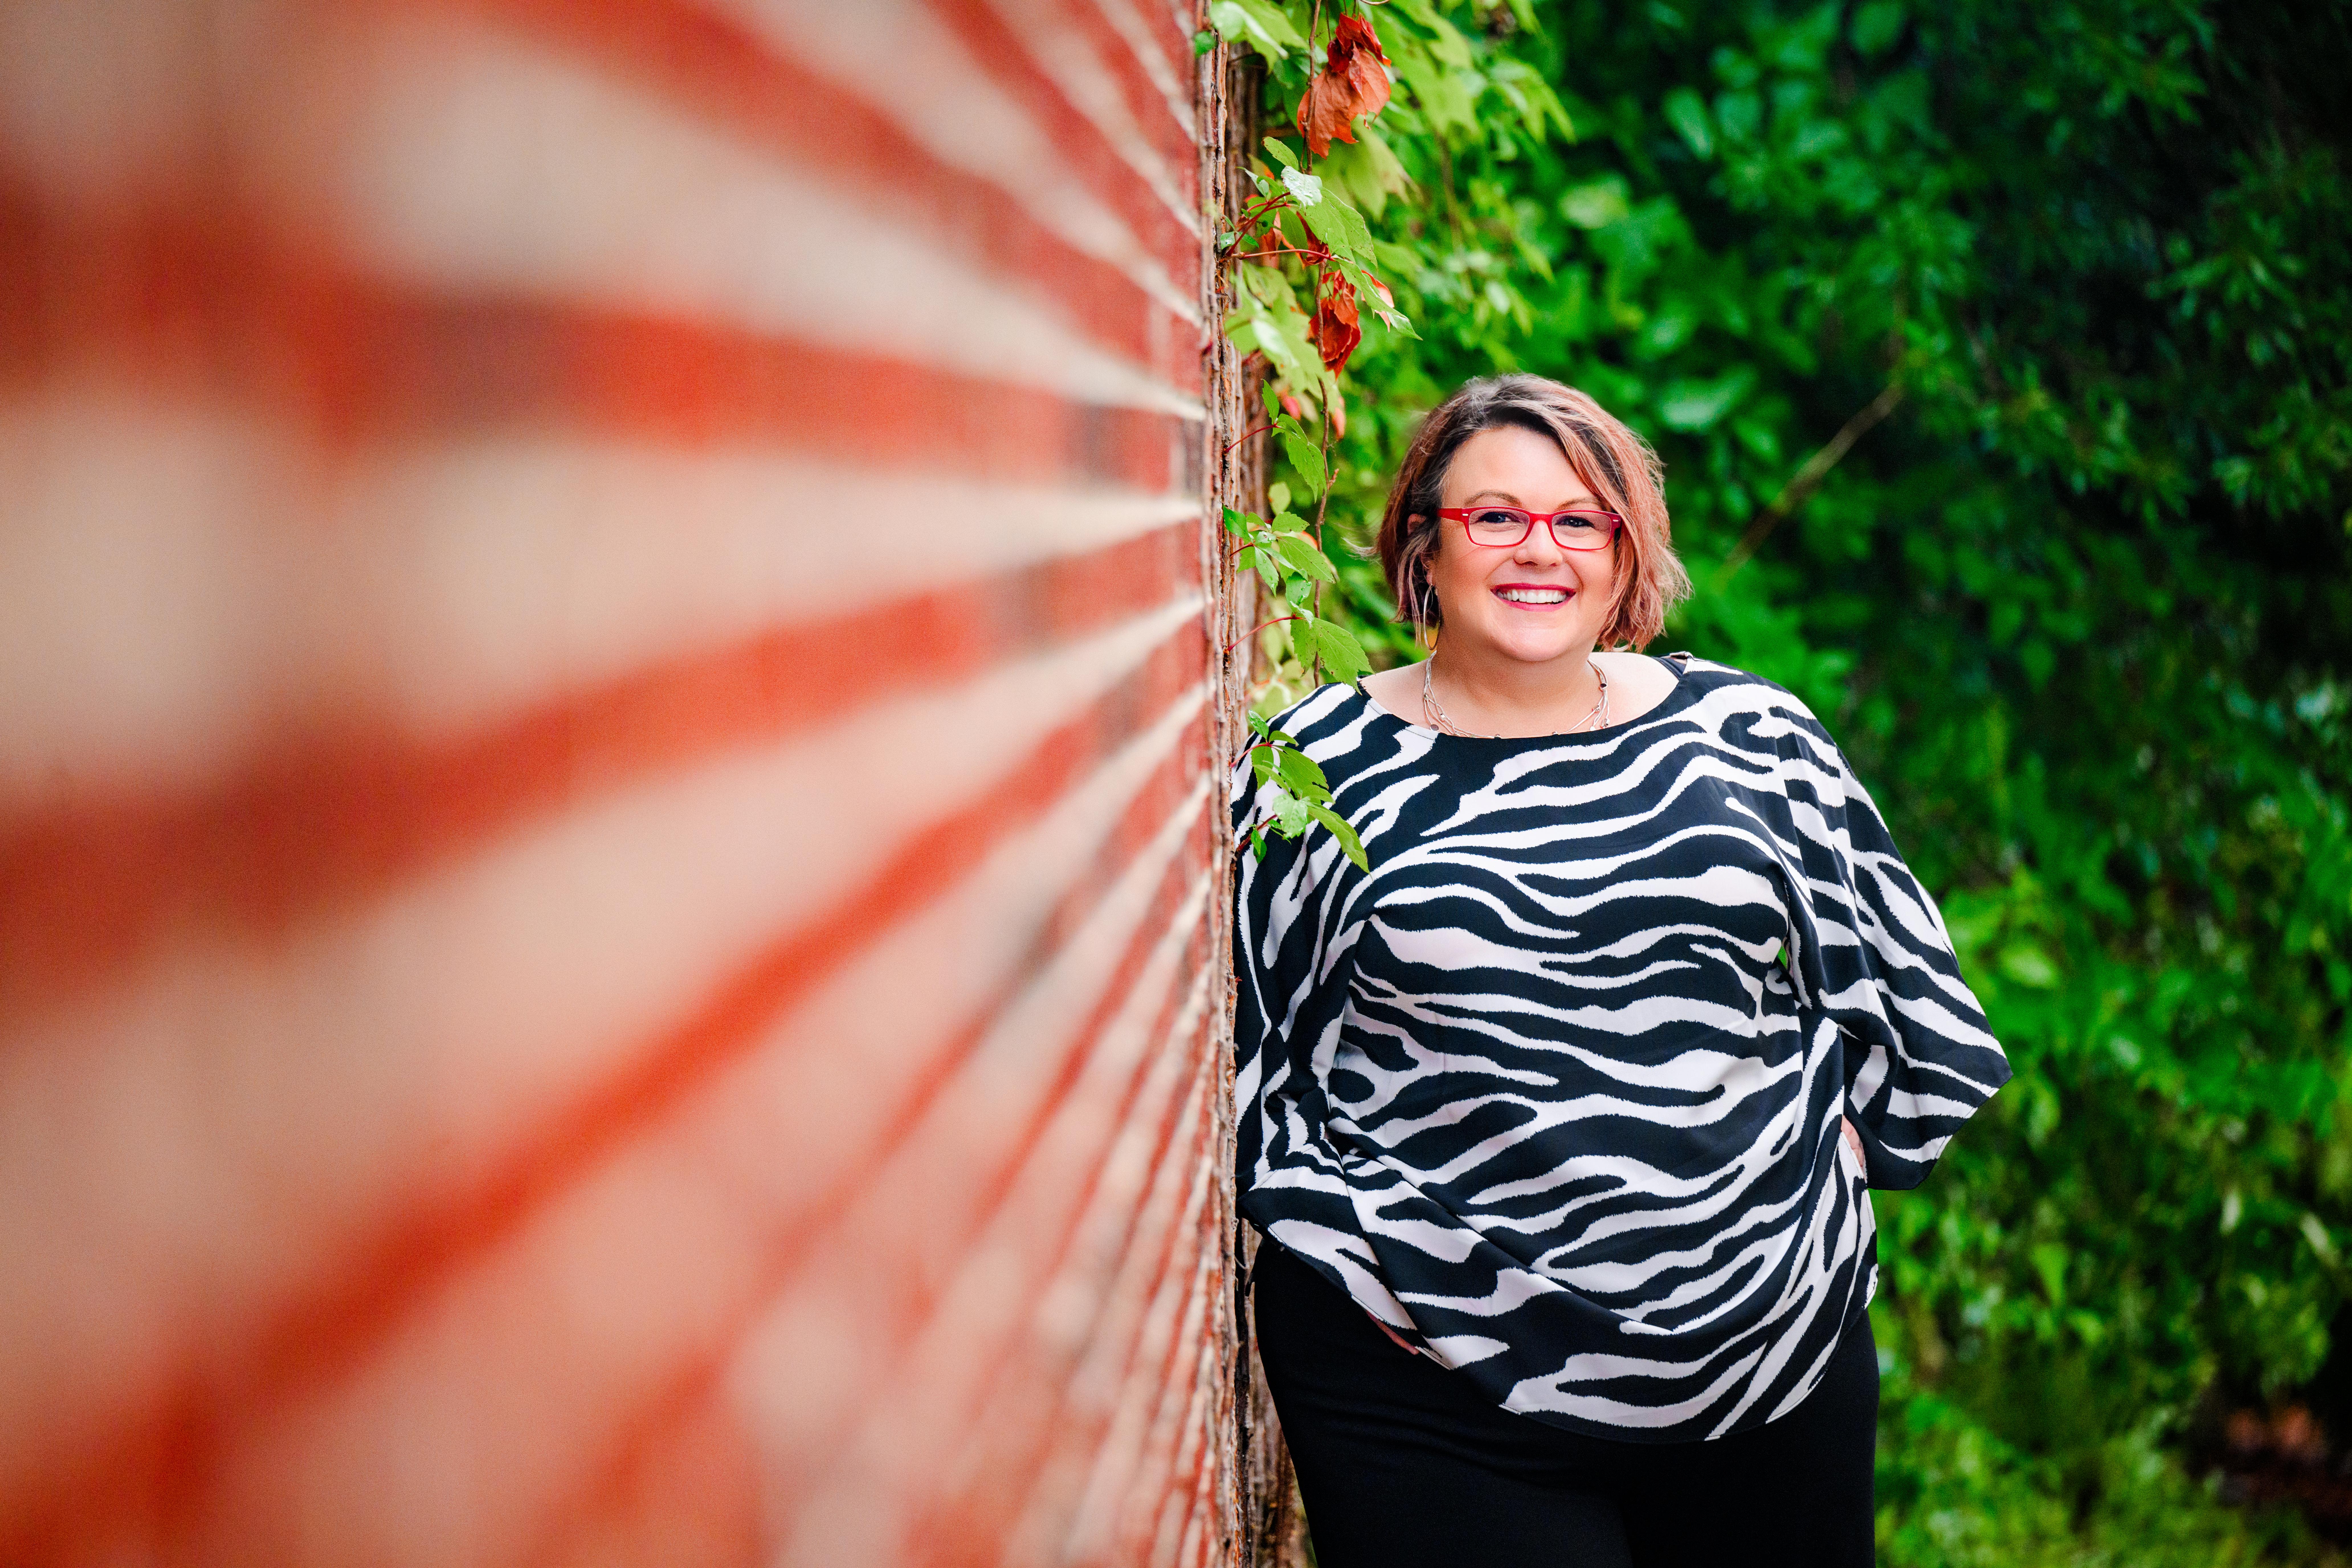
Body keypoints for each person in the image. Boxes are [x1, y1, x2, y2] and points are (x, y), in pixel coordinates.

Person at [1232, 374, 2011, 1567]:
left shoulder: (1752, 739)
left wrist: (1815, 1173)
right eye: (1495, 516)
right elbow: (1238, 1047)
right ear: (1424, 545)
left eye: (1576, 520)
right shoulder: (1317, 771)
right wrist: (1348, 1250)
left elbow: (1913, 1005)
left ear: (1621, 551)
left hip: (1767, 1381)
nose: (1537, 550)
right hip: (1436, 1393)